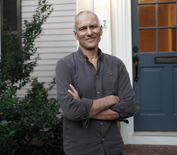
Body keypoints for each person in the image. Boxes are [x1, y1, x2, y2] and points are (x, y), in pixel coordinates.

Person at [55, 10, 135, 155]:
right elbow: (71, 111)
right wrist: (112, 99)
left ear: (100, 30)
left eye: (93, 26)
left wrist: (83, 108)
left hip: (112, 147)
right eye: (82, 28)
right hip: (80, 149)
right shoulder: (65, 65)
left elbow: (128, 107)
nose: (89, 32)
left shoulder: (117, 65)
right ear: (75, 34)